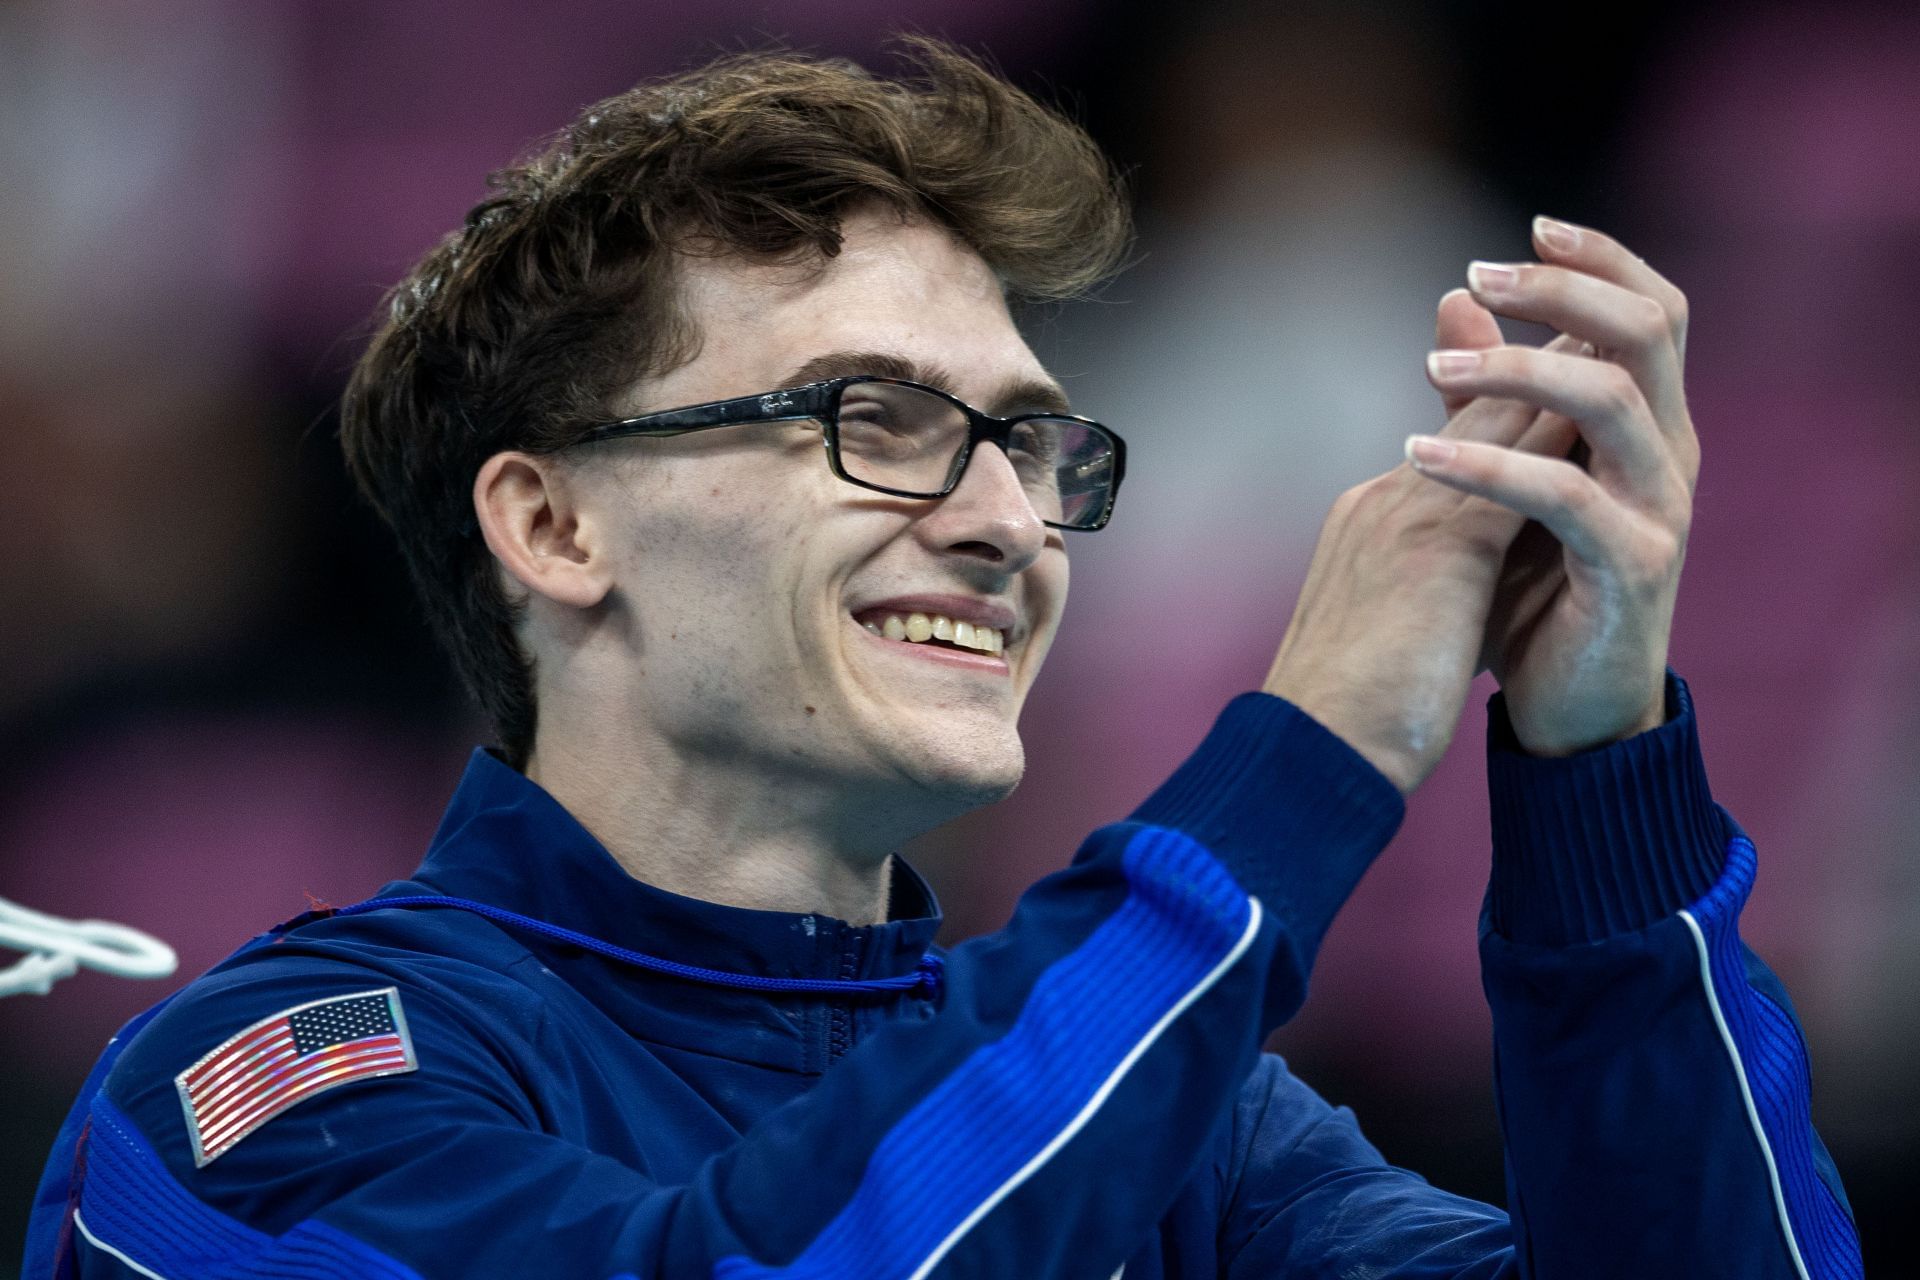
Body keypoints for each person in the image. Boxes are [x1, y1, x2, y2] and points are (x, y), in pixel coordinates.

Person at [25, 40, 1861, 1280]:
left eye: (1034, 442)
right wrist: (1306, 749)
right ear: (555, 527)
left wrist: (1596, 778)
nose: (1006, 523)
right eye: (876, 419)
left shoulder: (1197, 1128)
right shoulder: (264, 1091)